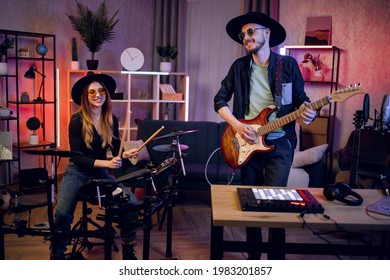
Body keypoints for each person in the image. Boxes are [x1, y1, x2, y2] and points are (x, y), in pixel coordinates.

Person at [214, 12, 317, 259]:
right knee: (250, 204)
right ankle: (254, 258)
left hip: (280, 144)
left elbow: (302, 100)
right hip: (247, 144)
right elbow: (219, 100)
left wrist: (307, 113)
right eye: (243, 34)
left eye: (251, 31)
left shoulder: (288, 65)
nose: (246, 37)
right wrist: (238, 126)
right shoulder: (239, 67)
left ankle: (276, 261)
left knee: (277, 204)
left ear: (267, 33)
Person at [53, 72, 142, 260]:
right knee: (62, 214)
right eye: (92, 92)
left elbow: (117, 151)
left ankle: (128, 247)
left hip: (101, 174)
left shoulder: (112, 120)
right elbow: (77, 158)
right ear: (85, 96)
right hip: (77, 173)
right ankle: (58, 254)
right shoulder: (77, 120)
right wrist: (107, 162)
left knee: (132, 203)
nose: (97, 95)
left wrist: (125, 154)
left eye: (101, 90)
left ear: (106, 94)